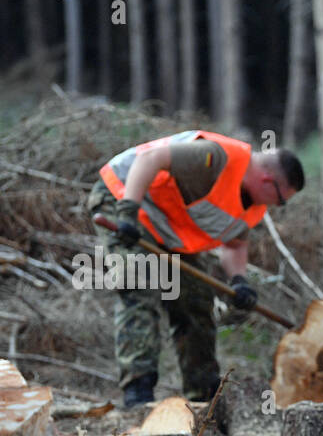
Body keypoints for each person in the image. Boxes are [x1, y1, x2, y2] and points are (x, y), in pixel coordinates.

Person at [88, 130, 303, 407]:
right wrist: (128, 211)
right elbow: (150, 159)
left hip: (163, 227)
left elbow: (234, 245)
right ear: (267, 180)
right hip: (121, 197)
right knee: (139, 283)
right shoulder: (215, 157)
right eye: (281, 199)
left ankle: (203, 399)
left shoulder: (252, 205)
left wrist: (239, 281)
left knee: (196, 301)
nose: (277, 206)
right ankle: (137, 394)